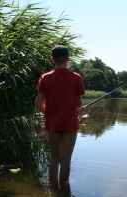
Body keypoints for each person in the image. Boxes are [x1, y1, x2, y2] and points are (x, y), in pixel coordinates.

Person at [35, 45, 86, 186]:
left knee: (54, 158)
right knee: (65, 160)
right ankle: (64, 187)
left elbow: (38, 104)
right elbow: (78, 105)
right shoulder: (76, 78)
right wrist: (80, 109)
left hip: (52, 123)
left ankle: (52, 185)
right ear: (68, 59)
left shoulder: (44, 78)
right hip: (69, 124)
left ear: (52, 60)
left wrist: (50, 113)